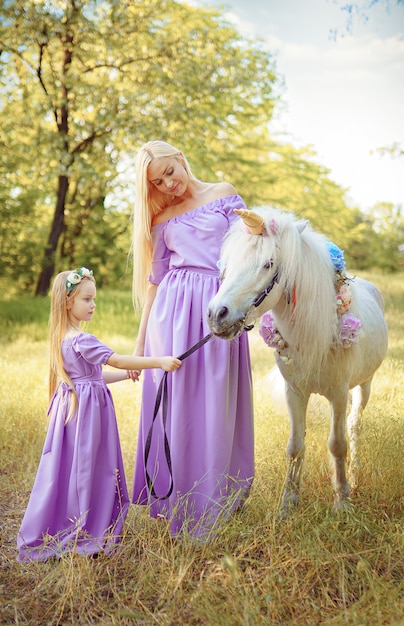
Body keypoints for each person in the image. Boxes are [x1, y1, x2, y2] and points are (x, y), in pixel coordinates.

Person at [130, 140, 254, 541]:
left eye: (170, 171)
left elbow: (248, 253)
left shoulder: (223, 194)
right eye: (158, 181)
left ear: (182, 158)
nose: (168, 183)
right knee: (178, 405)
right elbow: (154, 282)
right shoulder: (161, 218)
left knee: (217, 401)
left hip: (217, 308)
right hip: (172, 314)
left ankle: (215, 497)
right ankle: (177, 500)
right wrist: (140, 344)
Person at [17, 267, 181, 562]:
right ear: (68, 302)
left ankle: (67, 517)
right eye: (87, 299)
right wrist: (159, 361)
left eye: (94, 299)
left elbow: (90, 378)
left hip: (71, 411)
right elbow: (117, 359)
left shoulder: (63, 338)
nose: (93, 305)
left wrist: (125, 377)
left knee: (70, 467)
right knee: (92, 465)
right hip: (87, 415)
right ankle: (87, 522)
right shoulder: (83, 340)